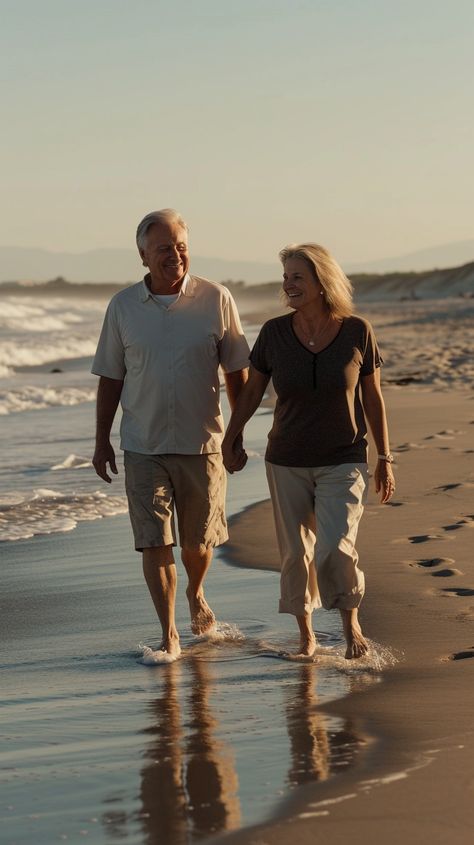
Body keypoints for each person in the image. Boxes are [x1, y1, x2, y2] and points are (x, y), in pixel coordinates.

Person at [222, 243, 395, 660]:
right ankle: (306, 635)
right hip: (287, 459)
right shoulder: (275, 333)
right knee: (296, 552)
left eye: (297, 277)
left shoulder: (357, 331)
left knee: (336, 546)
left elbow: (372, 397)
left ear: (322, 281)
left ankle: (350, 623)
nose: (289, 285)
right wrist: (233, 435)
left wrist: (386, 458)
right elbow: (251, 392)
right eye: (286, 278)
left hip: (345, 457)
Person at [92, 209, 249, 661]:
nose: (175, 255)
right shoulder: (122, 307)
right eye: (164, 248)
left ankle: (196, 592)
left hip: (203, 443)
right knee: (154, 539)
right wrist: (102, 439)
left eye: (181, 245)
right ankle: (169, 633)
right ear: (143, 256)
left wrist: (235, 435)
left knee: (198, 544)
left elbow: (236, 372)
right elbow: (110, 378)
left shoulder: (216, 298)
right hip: (143, 444)